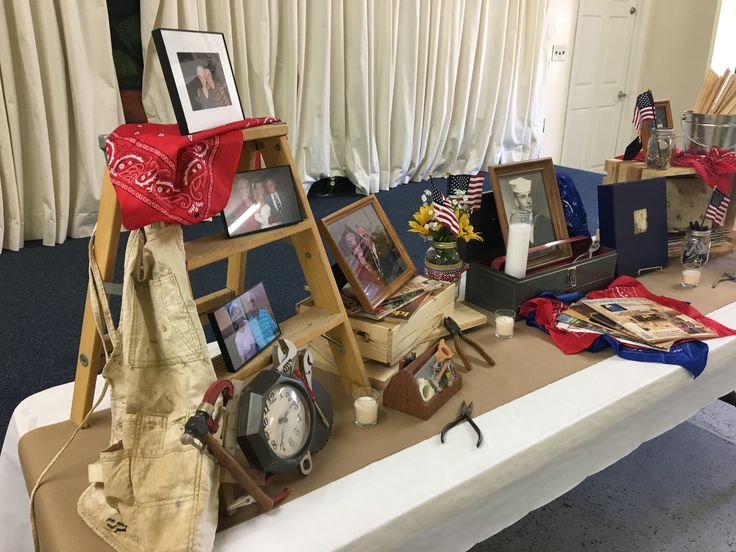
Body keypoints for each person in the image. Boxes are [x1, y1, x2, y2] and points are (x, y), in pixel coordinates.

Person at [508, 176, 555, 247]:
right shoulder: (515, 224)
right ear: (516, 202)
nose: (528, 201)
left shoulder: (544, 222)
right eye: (523, 197)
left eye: (529, 195)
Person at [341, 227, 384, 300]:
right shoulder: (350, 253)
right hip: (361, 268)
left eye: (352, 236)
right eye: (348, 238)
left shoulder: (364, 245)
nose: (351, 238)